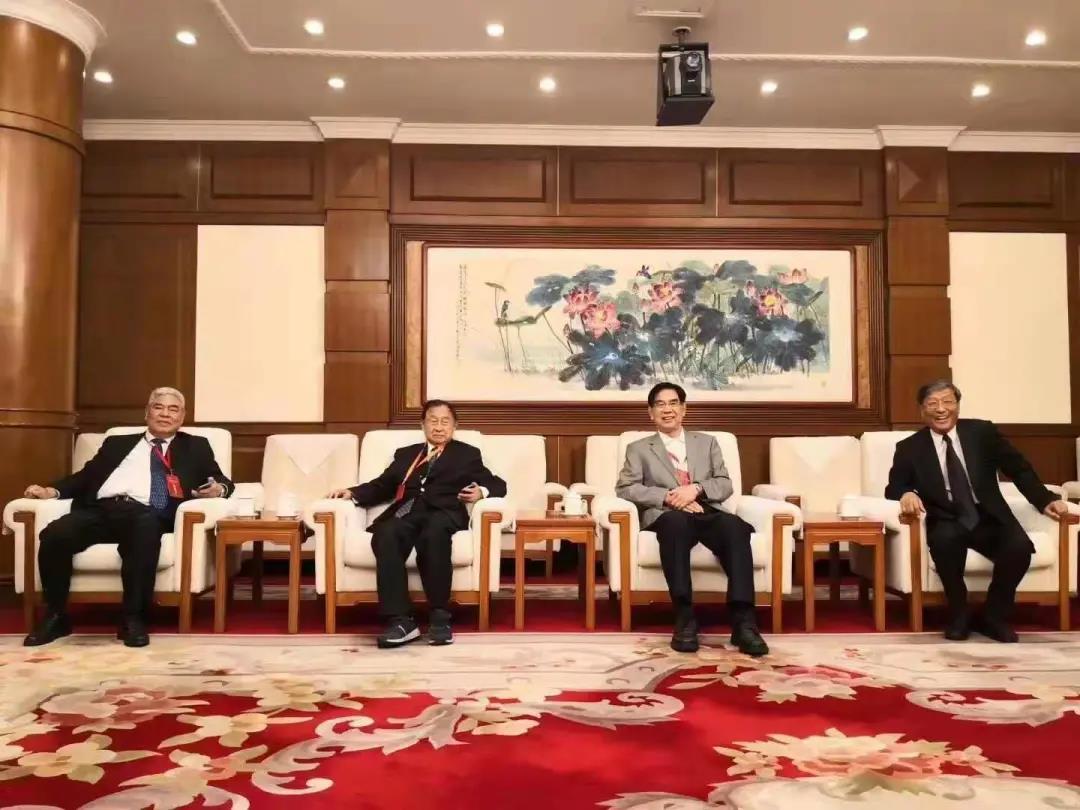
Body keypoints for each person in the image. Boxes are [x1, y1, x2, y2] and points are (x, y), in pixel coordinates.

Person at [22, 387, 234, 648]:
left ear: (182, 417)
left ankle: (133, 619)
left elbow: (221, 480)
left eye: (173, 409)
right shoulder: (117, 443)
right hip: (101, 509)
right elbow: (86, 477)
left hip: (149, 512)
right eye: (158, 407)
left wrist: (218, 489)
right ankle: (56, 616)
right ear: (147, 413)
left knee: (144, 531)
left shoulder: (195, 446)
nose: (165, 414)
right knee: (55, 534)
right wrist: (51, 491)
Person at [886, 379, 1070, 642]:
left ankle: (993, 617)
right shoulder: (909, 448)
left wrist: (1044, 500)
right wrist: (907, 493)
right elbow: (894, 486)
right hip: (945, 516)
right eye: (933, 403)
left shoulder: (982, 433)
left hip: (987, 515)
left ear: (958, 405)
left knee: (1019, 548)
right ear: (922, 410)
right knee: (945, 544)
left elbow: (1018, 468)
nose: (941, 409)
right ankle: (959, 615)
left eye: (948, 402)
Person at [329, 399, 505, 648]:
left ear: (454, 426)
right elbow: (382, 485)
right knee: (386, 533)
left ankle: (440, 617)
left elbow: (498, 484)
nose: (439, 427)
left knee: (433, 535)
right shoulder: (406, 454)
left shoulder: (467, 454)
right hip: (408, 512)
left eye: (445, 422)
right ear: (423, 425)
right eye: (433, 421)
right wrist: (352, 492)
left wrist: (482, 492)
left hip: (443, 512)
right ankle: (401, 621)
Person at [616, 382, 767, 656]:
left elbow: (724, 483)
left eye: (673, 403)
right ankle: (685, 618)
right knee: (675, 526)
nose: (667, 410)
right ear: (651, 413)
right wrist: (669, 496)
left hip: (706, 509)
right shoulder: (638, 448)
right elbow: (626, 488)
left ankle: (744, 622)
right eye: (660, 404)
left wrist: (696, 489)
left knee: (735, 528)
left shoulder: (707, 443)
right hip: (668, 513)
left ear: (684, 409)